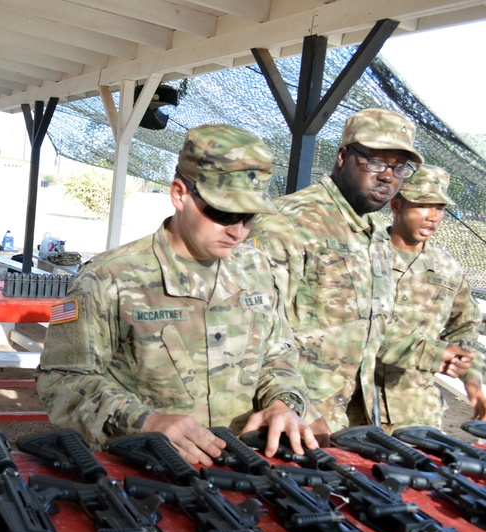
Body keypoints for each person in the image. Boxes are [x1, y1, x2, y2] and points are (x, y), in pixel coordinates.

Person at [36, 124, 318, 464]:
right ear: (180, 194)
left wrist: (283, 402)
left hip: (244, 465)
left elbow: (278, 357)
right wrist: (145, 422)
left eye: (248, 218)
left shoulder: (257, 270)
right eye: (223, 213)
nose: (237, 231)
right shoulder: (108, 278)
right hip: (145, 471)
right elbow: (61, 380)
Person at [247, 108, 471, 438]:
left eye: (399, 167)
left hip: (351, 429)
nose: (388, 176)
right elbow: (251, 328)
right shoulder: (289, 223)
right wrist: (297, 406)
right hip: (286, 426)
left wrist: (434, 352)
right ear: (342, 156)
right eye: (376, 162)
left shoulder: (373, 238)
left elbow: (370, 333)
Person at [376, 164, 486, 430]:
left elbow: (465, 324)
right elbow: (357, 331)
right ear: (396, 205)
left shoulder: (447, 267)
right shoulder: (364, 255)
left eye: (440, 208)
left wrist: (472, 381)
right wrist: (436, 353)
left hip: (416, 413)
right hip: (355, 409)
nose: (433, 217)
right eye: (423, 206)